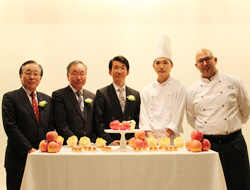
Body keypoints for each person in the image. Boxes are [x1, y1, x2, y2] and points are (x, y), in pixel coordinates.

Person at [186, 48, 250, 190]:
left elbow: (245, 108)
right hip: (208, 146)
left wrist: (233, 127)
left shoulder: (235, 82)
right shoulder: (192, 90)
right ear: (196, 66)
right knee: (210, 185)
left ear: (215, 60)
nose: (205, 63)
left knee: (240, 183)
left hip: (234, 143)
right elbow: (191, 118)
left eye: (207, 59)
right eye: (200, 61)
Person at [2, 60, 53, 190]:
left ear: (40, 78)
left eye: (36, 74)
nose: (32, 77)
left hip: (42, 158)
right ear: (20, 76)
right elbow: (11, 127)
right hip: (18, 159)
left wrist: (46, 147)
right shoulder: (10, 98)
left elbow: (50, 126)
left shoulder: (47, 99)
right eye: (28, 73)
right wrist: (29, 149)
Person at [139, 35, 186, 141]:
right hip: (150, 141)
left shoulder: (179, 87)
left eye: (165, 62)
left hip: (172, 140)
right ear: (153, 66)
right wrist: (151, 138)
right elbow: (144, 117)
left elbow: (177, 116)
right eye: (158, 63)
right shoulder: (146, 90)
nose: (161, 66)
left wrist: (165, 137)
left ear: (172, 65)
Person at [94, 55, 141, 145]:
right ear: (109, 71)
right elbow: (98, 122)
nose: (119, 71)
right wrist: (109, 141)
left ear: (128, 72)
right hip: (110, 143)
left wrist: (132, 139)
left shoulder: (135, 94)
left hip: (130, 143)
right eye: (116, 68)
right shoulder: (102, 93)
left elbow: (138, 120)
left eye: (122, 68)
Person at [52, 60, 96, 142]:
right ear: (67, 76)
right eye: (74, 74)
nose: (79, 78)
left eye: (82, 74)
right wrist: (75, 141)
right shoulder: (59, 95)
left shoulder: (92, 96)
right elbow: (60, 124)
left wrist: (92, 141)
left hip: (90, 144)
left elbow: (95, 123)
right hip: (68, 144)